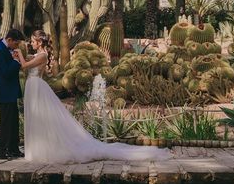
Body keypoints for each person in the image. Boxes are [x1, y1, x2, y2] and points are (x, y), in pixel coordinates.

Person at [15, 30, 172, 163]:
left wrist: (20, 55)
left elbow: (24, 65)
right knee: (36, 119)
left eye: (33, 41)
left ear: (39, 42)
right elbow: (27, 61)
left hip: (36, 86)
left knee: (41, 119)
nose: (31, 43)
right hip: (33, 86)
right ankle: (36, 150)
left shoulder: (42, 55)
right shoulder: (38, 55)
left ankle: (42, 151)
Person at [0, 29, 24, 159]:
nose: (16, 47)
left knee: (13, 121)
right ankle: (2, 151)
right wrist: (16, 61)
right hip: (4, 92)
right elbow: (5, 72)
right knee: (5, 122)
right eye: (16, 44)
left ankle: (13, 149)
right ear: (9, 40)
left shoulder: (7, 49)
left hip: (10, 91)